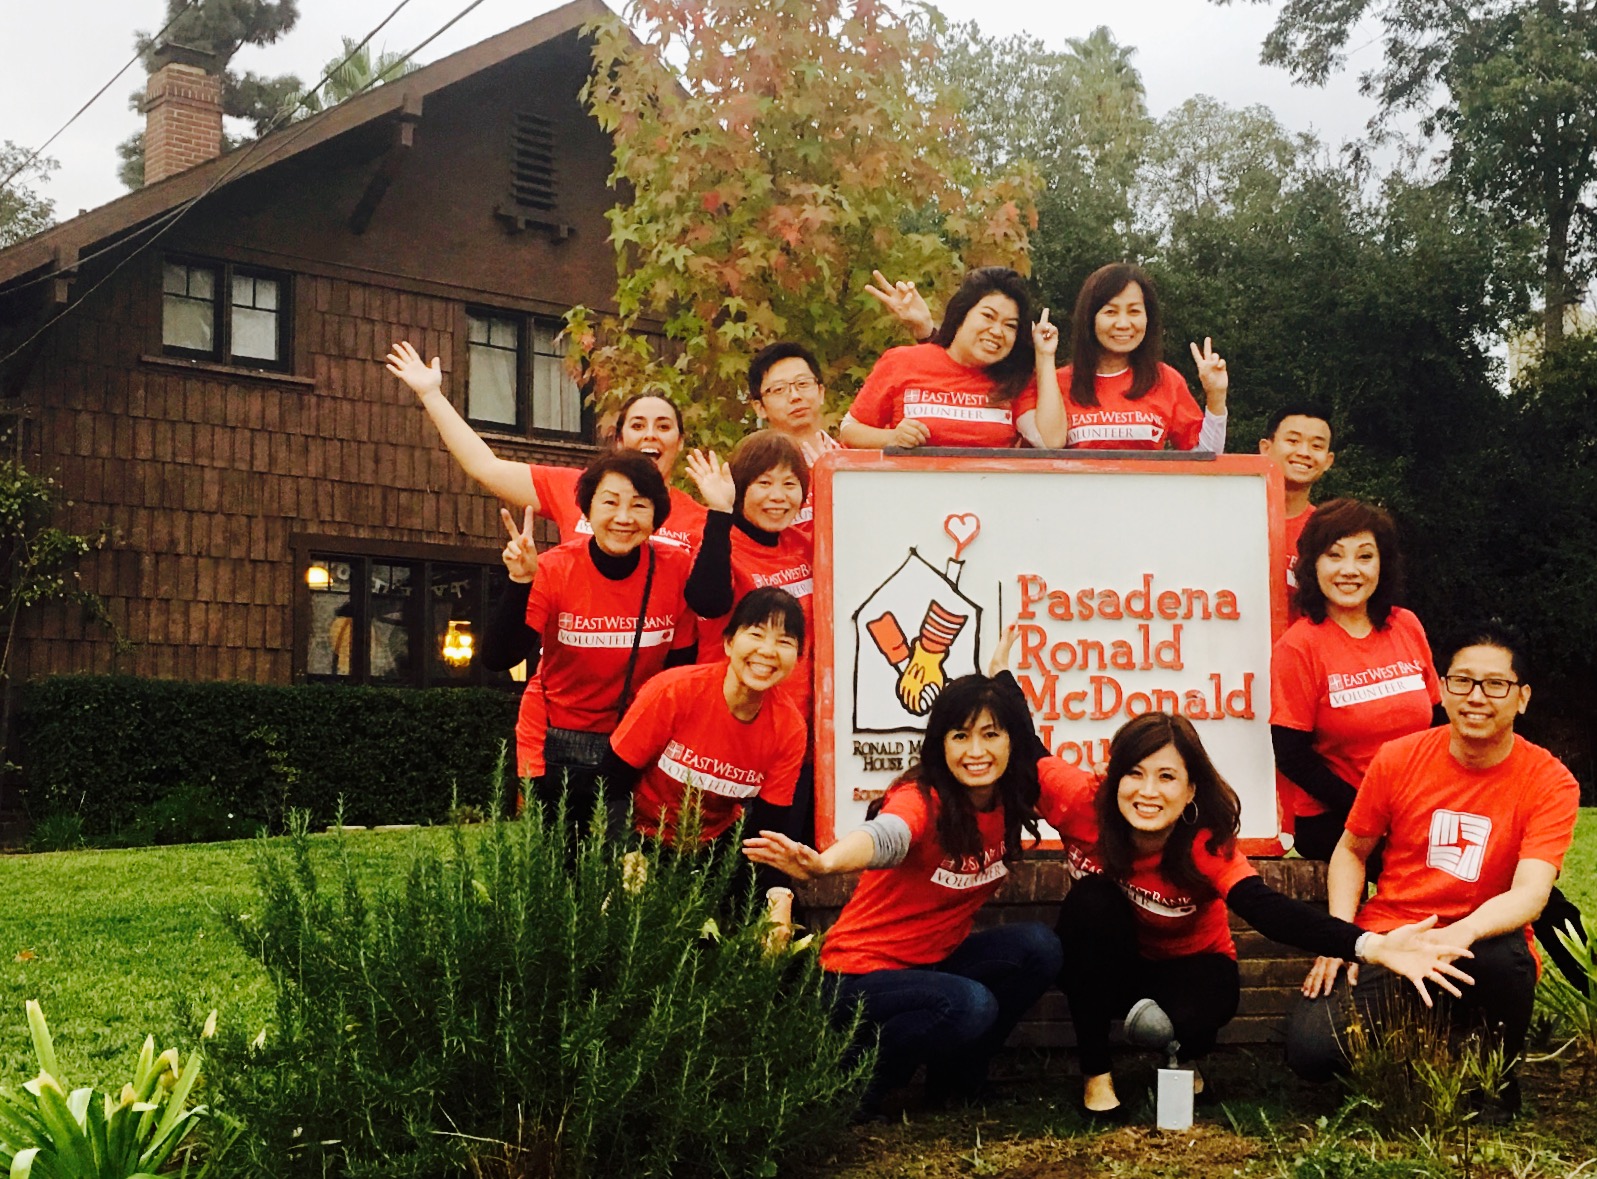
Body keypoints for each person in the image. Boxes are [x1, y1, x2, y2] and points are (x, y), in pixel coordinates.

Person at [984, 630, 1471, 1121]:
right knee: (1091, 900)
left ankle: (1184, 1052)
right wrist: (1002, 679)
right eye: (1134, 773)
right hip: (1117, 961)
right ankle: (1097, 1075)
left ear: (1191, 789)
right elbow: (1027, 746)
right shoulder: (1081, 802)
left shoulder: (1204, 843)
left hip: (1190, 967)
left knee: (1196, 1013)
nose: (1147, 792)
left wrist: (1372, 945)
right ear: (1114, 778)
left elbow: (1270, 911)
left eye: (1167, 777)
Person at [1284, 622, 1583, 1119]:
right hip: (1393, 935)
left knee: (1502, 962)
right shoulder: (1399, 758)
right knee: (1312, 1053)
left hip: (1480, 941)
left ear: (1522, 697)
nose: (1476, 697)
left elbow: (1531, 893)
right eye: (1462, 681)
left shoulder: (1549, 780)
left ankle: (1494, 1080)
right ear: (1442, 690)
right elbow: (1352, 851)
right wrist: (1340, 936)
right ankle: (1423, 1042)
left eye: (1496, 684)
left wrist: (1456, 935)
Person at [742, 674, 1063, 1114]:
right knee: (970, 1003)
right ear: (940, 744)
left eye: (991, 734)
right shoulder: (921, 798)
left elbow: (1080, 795)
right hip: (857, 978)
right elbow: (888, 833)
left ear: (1012, 742)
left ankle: (956, 1080)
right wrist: (825, 863)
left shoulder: (1012, 798)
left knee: (1038, 947)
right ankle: (854, 1085)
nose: (976, 751)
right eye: (960, 736)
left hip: (934, 961)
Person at [478, 451, 697, 818]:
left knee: (624, 863)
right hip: (554, 741)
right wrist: (520, 582)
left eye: (639, 505)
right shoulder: (553, 568)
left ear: (656, 516)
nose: (623, 518)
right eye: (610, 502)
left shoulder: (675, 569)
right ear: (587, 508)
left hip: (634, 743)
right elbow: (499, 657)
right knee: (552, 865)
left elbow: (681, 667)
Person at [385, 340, 708, 552]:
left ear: (679, 443)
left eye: (663, 427)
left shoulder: (702, 521)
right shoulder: (576, 488)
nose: (650, 434)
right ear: (620, 440)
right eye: (637, 425)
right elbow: (485, 466)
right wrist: (431, 395)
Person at [1270, 498, 1440, 861]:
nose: (1350, 570)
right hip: (1337, 817)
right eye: (1335, 556)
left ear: (1383, 565)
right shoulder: (1298, 646)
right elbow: (1292, 757)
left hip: (1418, 806)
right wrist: (1374, 811)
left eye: (1364, 556)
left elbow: (1439, 723)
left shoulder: (1406, 625)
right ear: (1312, 565)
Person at [684, 432, 817, 839]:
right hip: (733, 731)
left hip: (798, 733)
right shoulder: (716, 542)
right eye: (763, 482)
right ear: (740, 486)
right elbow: (707, 601)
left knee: (782, 860)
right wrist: (719, 513)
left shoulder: (806, 545)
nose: (778, 495)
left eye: (790, 483)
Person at [599, 587, 808, 846]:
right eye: (756, 634)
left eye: (784, 641)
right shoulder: (673, 691)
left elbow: (768, 829)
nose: (767, 650)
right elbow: (610, 783)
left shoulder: (790, 729)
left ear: (798, 659)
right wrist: (626, 854)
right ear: (729, 643)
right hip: (638, 834)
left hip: (711, 850)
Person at [1030, 263, 1228, 452]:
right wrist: (1045, 356)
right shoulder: (1057, 383)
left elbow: (1205, 457)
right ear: (1090, 318)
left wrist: (1216, 396)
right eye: (1110, 312)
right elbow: (1047, 450)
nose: (1123, 324)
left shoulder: (1166, 379)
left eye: (1134, 311)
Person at [841, 267, 1041, 450]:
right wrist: (892, 437)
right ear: (961, 314)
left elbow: (1046, 441)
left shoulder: (1017, 381)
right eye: (988, 316)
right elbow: (850, 431)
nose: (997, 331)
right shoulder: (902, 361)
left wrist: (1045, 356)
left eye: (1010, 325)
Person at [746, 341, 840, 543]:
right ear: (759, 407)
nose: (795, 396)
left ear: (821, 392)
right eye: (779, 389)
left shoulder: (852, 458)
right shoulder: (753, 473)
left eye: (803, 384)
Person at [1258, 405, 1336, 622]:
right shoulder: (1232, 520)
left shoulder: (1330, 531)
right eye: (1293, 441)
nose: (1304, 453)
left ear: (1328, 461)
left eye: (1316, 446)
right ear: (1265, 448)